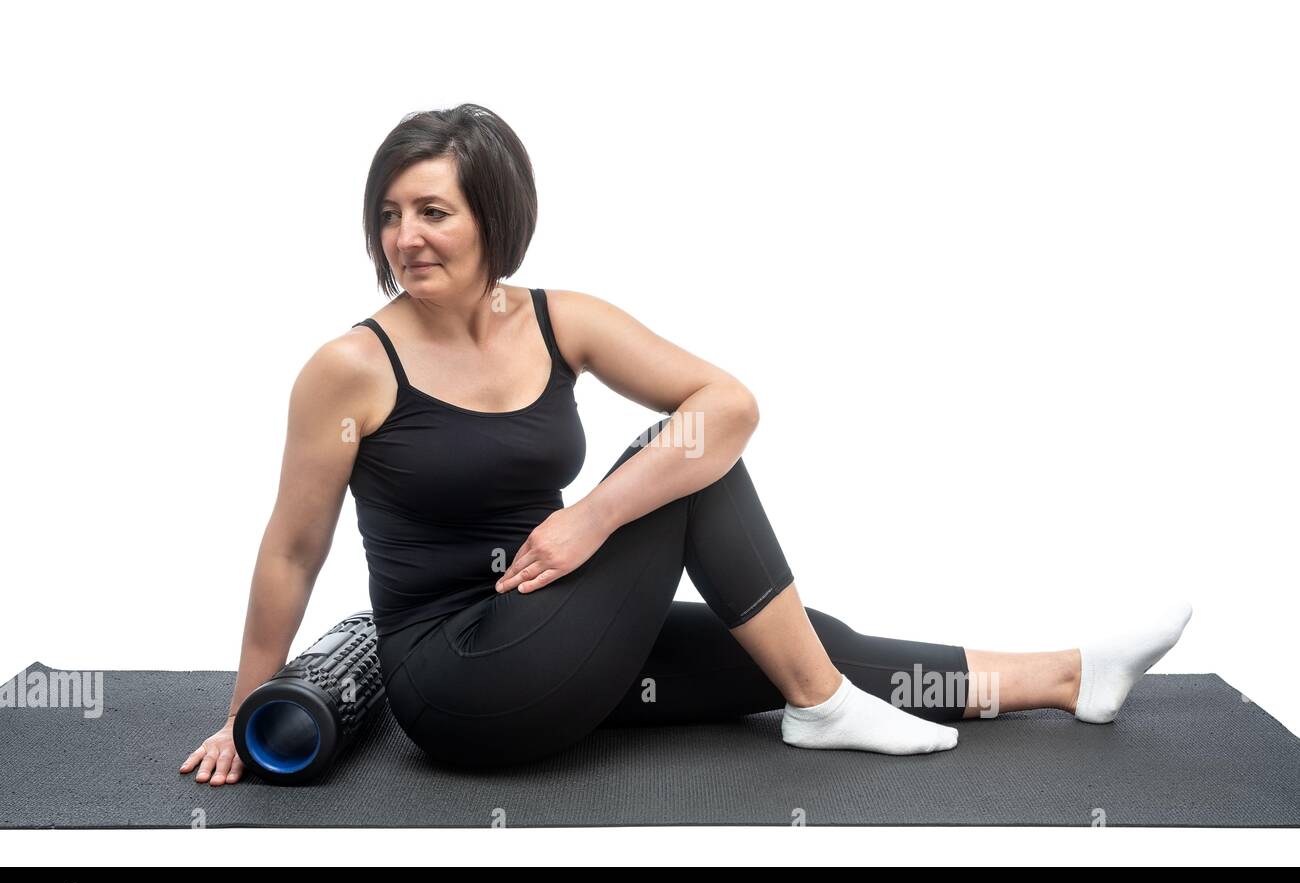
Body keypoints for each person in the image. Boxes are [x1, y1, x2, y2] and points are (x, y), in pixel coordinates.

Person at [181, 104, 1193, 783]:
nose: (405, 237)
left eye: (433, 212)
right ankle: (823, 705)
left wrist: (590, 518)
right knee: (692, 475)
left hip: (549, 634)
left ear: (492, 218)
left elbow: (731, 401)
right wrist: (243, 711)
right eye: (390, 215)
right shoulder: (349, 370)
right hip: (454, 683)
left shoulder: (556, 319)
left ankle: (1066, 676)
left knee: (793, 633)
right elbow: (292, 548)